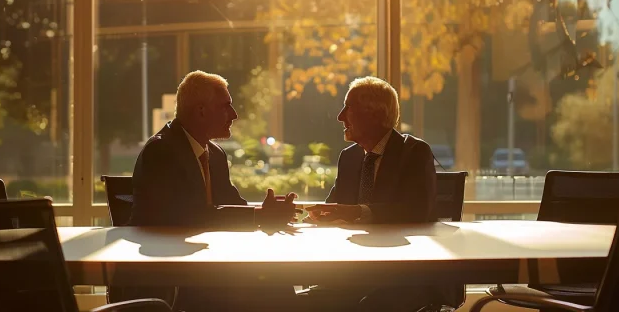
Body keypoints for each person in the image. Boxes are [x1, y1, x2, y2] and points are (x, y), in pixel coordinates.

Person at [128, 70, 299, 311]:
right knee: (273, 286)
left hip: (207, 265)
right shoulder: (162, 151)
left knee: (275, 281)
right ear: (201, 110)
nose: (234, 115)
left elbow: (230, 204)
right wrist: (258, 216)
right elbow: (189, 216)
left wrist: (267, 211)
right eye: (226, 106)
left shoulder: (214, 155)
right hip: (172, 273)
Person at [305, 76, 444, 311]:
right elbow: (336, 206)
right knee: (294, 301)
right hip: (353, 269)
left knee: (369, 306)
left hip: (403, 273)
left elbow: (418, 210)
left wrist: (357, 212)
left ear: (375, 114)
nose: (340, 116)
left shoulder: (414, 152)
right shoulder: (349, 157)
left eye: (348, 107)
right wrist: (316, 215)